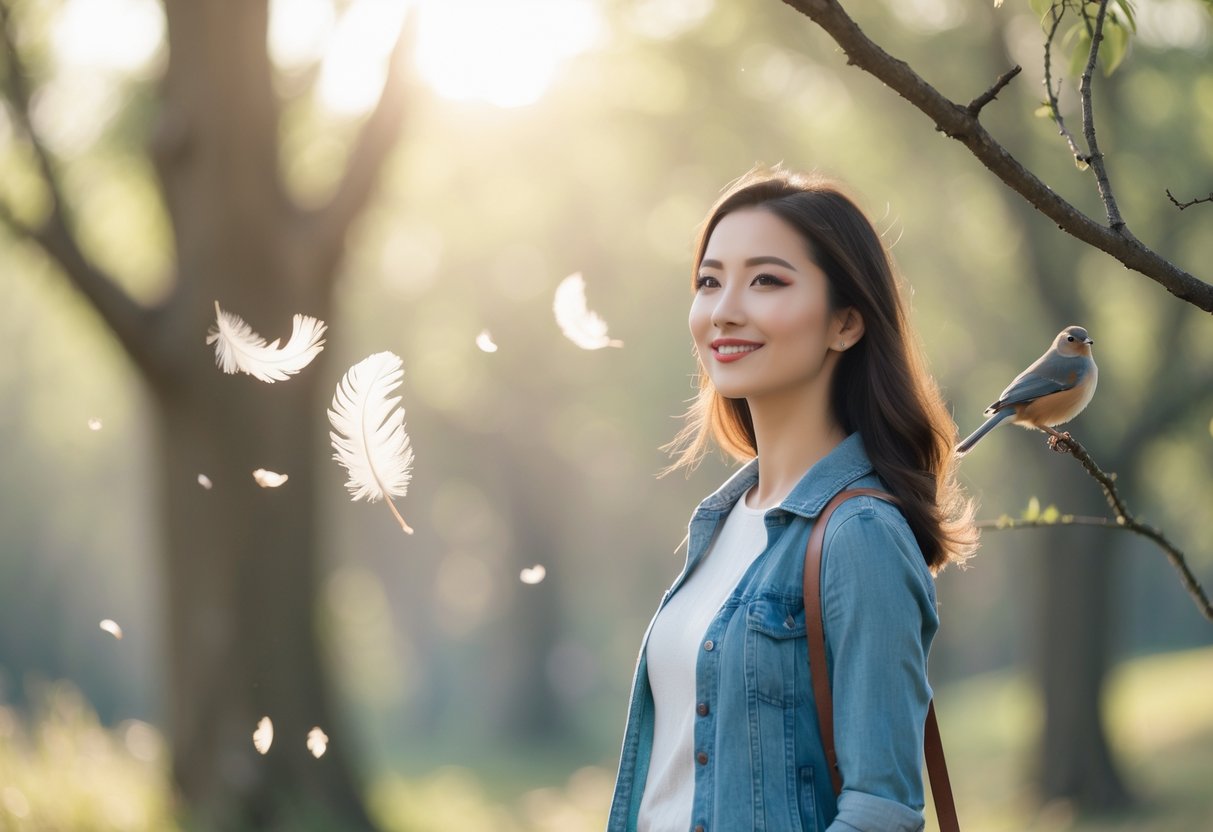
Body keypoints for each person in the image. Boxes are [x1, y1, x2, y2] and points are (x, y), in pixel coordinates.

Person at [607, 167, 978, 832]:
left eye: (766, 280)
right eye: (709, 281)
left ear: (845, 323)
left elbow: (880, 808)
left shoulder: (859, 533)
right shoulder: (719, 523)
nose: (723, 309)